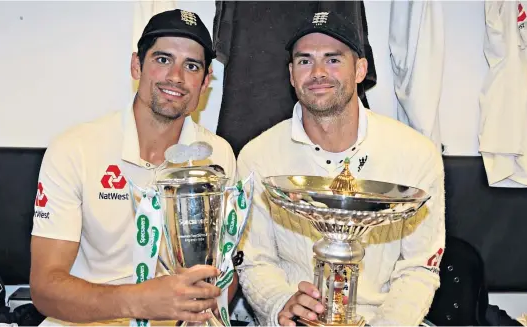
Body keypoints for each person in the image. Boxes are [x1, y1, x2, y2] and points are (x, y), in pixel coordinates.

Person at [235, 11, 446, 326]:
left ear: (360, 69)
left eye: (333, 60)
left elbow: (418, 268)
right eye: (305, 61)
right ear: (292, 74)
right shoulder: (257, 155)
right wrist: (281, 304)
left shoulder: (416, 153)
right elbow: (254, 262)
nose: (318, 72)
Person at [30, 9, 238, 324]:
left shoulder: (217, 156)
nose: (176, 77)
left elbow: (223, 269)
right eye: (163, 60)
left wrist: (204, 306)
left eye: (191, 66)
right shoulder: (75, 148)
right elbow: (45, 288)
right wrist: (138, 302)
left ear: (206, 81)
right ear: (136, 65)